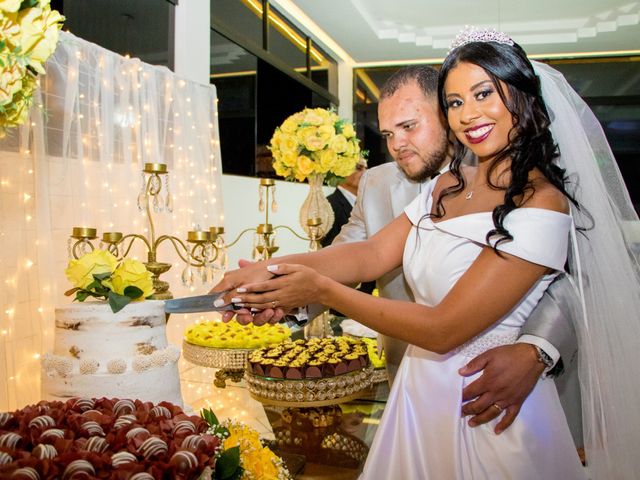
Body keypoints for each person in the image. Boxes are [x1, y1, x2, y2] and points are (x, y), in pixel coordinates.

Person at [214, 30, 604, 478]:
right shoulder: (448, 185)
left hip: (487, 400)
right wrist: (269, 271)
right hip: (419, 389)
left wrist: (319, 288)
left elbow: (444, 329)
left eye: (483, 94)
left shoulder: (540, 201)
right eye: (456, 102)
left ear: (522, 97)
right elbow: (370, 255)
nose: (468, 114)